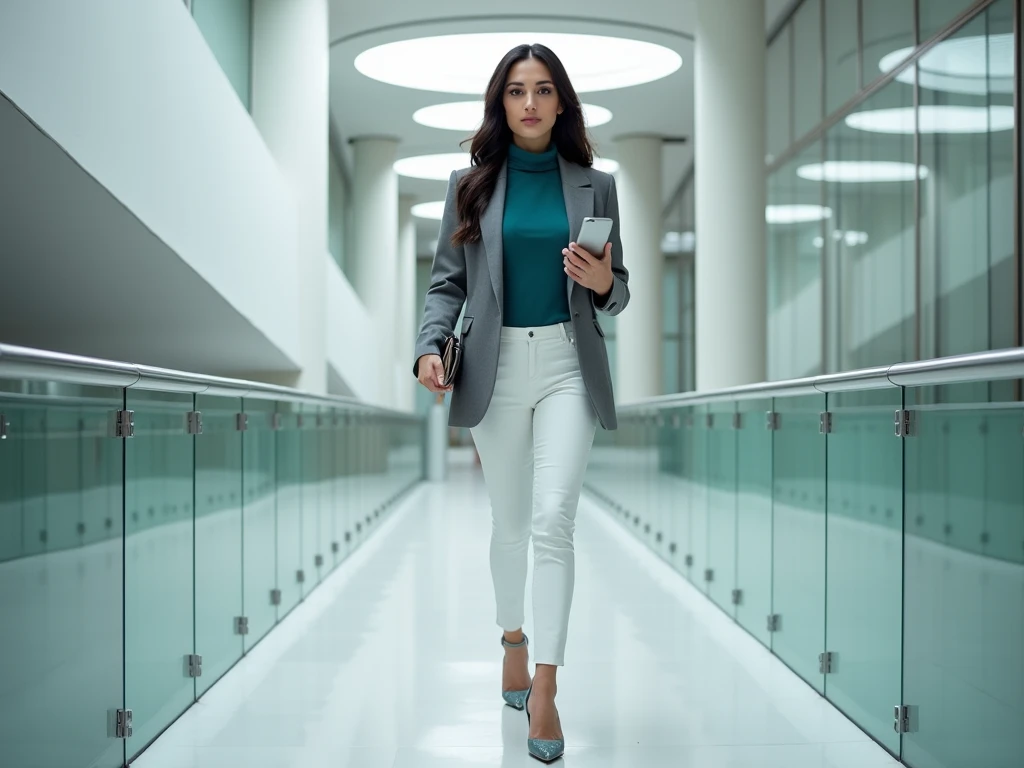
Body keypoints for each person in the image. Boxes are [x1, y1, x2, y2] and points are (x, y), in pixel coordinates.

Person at [413, 42, 629, 763]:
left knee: (552, 521)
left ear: (562, 101)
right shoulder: (469, 184)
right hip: (496, 365)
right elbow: (447, 282)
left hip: (569, 360)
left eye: (542, 90)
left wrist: (600, 281)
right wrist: (426, 345)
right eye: (515, 91)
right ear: (499, 104)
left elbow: (617, 291)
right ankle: (513, 637)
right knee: (509, 525)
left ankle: (546, 686)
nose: (529, 103)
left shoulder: (596, 186)